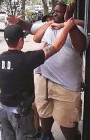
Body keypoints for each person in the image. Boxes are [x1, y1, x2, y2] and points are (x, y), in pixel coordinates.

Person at [8, 2, 87, 140]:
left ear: (67, 14)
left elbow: (81, 47)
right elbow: (31, 28)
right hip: (43, 79)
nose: (55, 13)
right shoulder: (48, 26)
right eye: (54, 10)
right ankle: (47, 135)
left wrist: (69, 26)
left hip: (66, 85)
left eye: (59, 11)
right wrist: (19, 21)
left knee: (66, 121)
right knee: (44, 112)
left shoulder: (77, 28)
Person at [0, 18, 76, 140]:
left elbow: (23, 60)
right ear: (20, 40)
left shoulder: (0, 58)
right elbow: (56, 47)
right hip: (20, 113)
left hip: (2, 109)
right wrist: (67, 27)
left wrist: (41, 48)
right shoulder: (26, 59)